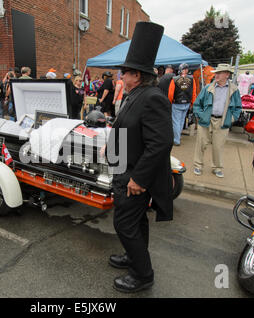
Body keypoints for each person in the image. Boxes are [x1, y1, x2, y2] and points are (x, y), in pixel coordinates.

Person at [105, 22, 173, 293]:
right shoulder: (136, 95)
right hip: (124, 166)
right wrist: (111, 146)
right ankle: (133, 257)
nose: (121, 75)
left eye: (124, 72)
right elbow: (129, 127)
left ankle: (143, 274)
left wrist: (139, 179)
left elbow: (160, 143)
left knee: (124, 224)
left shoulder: (153, 98)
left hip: (135, 175)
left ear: (136, 75)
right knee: (135, 222)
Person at [193, 64, 242, 178]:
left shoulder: (234, 89)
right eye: (216, 73)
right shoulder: (208, 88)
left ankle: (217, 167)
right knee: (200, 144)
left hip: (222, 122)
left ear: (227, 74)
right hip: (206, 120)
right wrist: (200, 115)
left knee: (218, 146)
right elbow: (197, 104)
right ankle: (198, 165)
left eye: (219, 73)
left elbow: (238, 108)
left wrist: (232, 119)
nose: (216, 75)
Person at [168, 63, 197, 146]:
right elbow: (194, 92)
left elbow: (170, 93)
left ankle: (176, 140)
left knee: (176, 122)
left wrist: (170, 101)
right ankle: (178, 136)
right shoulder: (192, 79)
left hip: (176, 103)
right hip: (187, 103)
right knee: (181, 121)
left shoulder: (174, 79)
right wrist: (192, 103)